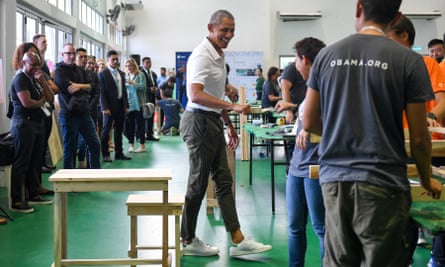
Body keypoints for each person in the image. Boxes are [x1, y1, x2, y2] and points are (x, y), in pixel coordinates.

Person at [302, 1, 442, 266]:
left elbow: (308, 120)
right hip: (384, 182)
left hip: (335, 181)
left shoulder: (327, 55)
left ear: (358, 8)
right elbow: (421, 136)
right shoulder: (409, 60)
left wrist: (341, 132)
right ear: (397, 16)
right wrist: (425, 179)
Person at [180, 9, 272, 257]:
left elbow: (214, 95)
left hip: (211, 122)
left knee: (223, 181)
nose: (229, 35)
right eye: (224, 30)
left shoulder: (218, 54)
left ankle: (237, 238)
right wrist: (232, 106)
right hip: (198, 123)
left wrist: (229, 125)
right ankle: (186, 239)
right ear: (210, 28)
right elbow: (196, 95)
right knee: (198, 183)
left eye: (232, 31)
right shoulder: (202, 55)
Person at [387, 15, 445, 267]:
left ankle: (438, 258)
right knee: (404, 208)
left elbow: (442, 98)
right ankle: (405, 258)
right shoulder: (386, 65)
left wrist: (431, 115)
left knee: (438, 207)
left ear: (404, 36)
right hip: (401, 147)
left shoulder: (428, 64)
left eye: (388, 36)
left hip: (431, 145)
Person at [275, 37, 326, 267]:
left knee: (321, 227)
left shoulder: (326, 85)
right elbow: (309, 113)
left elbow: (333, 122)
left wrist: (308, 127)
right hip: (297, 165)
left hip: (316, 167)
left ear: (304, 59)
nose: (295, 65)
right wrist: (295, 112)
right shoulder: (310, 88)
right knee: (295, 226)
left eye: (296, 59)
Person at [9, 42, 54, 213]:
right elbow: (27, 103)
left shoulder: (35, 78)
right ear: (23, 62)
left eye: (38, 65)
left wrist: (43, 81)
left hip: (37, 123)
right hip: (24, 124)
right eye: (32, 65)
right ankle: (17, 200)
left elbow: (50, 97)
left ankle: (33, 193)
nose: (35, 68)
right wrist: (41, 101)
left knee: (36, 160)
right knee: (22, 162)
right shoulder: (20, 79)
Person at [54, 44, 101, 169]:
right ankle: (69, 180)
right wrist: (83, 87)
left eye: (73, 53)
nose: (71, 56)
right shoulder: (59, 71)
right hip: (69, 115)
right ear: (62, 55)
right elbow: (70, 89)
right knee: (70, 149)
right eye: (68, 53)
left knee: (95, 144)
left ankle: (96, 175)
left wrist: (79, 86)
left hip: (84, 114)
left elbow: (92, 87)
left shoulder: (80, 70)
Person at [33, 34, 59, 176]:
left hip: (48, 106)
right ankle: (39, 164)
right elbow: (50, 87)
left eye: (47, 42)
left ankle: (42, 162)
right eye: (43, 42)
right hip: (38, 110)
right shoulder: (36, 66)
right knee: (39, 140)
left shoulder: (44, 63)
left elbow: (53, 88)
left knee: (45, 137)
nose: (46, 44)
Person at [99, 50, 132, 162]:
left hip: (120, 105)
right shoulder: (103, 74)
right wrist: (104, 107)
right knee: (106, 131)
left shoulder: (121, 73)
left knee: (119, 130)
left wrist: (126, 105)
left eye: (116, 59)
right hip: (109, 107)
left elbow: (124, 91)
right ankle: (105, 154)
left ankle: (119, 153)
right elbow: (101, 92)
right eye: (113, 59)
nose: (115, 61)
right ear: (108, 60)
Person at [75, 48, 100, 168]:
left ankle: (91, 166)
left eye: (90, 62)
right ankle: (81, 160)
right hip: (79, 109)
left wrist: (90, 107)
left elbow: (95, 92)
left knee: (92, 139)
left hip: (91, 109)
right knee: (81, 138)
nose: (88, 64)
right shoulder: (76, 73)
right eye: (86, 61)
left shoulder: (94, 75)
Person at [124, 58, 147, 153]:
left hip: (139, 104)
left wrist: (133, 83)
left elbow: (143, 87)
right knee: (130, 126)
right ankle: (131, 145)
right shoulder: (126, 76)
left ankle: (142, 145)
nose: (129, 68)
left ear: (134, 66)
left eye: (130, 66)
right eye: (127, 66)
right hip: (129, 104)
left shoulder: (140, 75)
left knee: (140, 125)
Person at [140, 56, 160, 141]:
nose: (149, 64)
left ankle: (149, 134)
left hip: (152, 97)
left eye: (150, 62)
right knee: (143, 117)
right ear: (143, 63)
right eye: (147, 62)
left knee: (151, 116)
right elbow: (141, 85)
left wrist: (155, 89)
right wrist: (149, 89)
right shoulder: (141, 73)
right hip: (144, 98)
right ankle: (141, 135)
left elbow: (155, 84)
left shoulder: (153, 74)